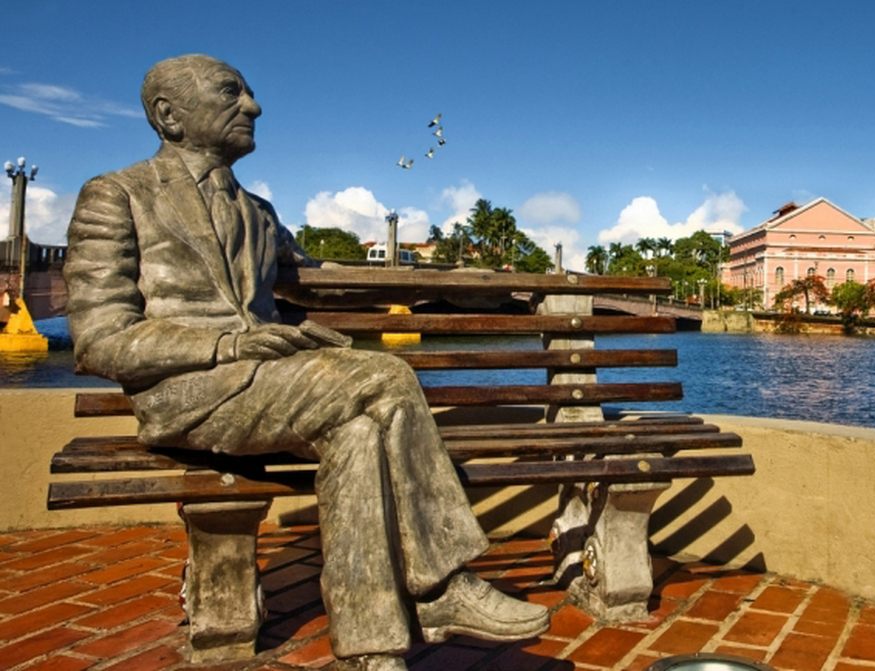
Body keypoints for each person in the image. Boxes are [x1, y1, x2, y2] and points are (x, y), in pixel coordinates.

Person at [63, 54, 548, 671]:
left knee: (357, 431)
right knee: (385, 375)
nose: (254, 106)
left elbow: (324, 284)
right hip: (186, 391)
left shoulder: (259, 213)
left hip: (266, 384)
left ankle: (371, 648)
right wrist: (225, 345)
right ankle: (440, 584)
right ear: (169, 115)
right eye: (231, 92)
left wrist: (459, 281)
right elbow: (100, 338)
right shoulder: (117, 195)